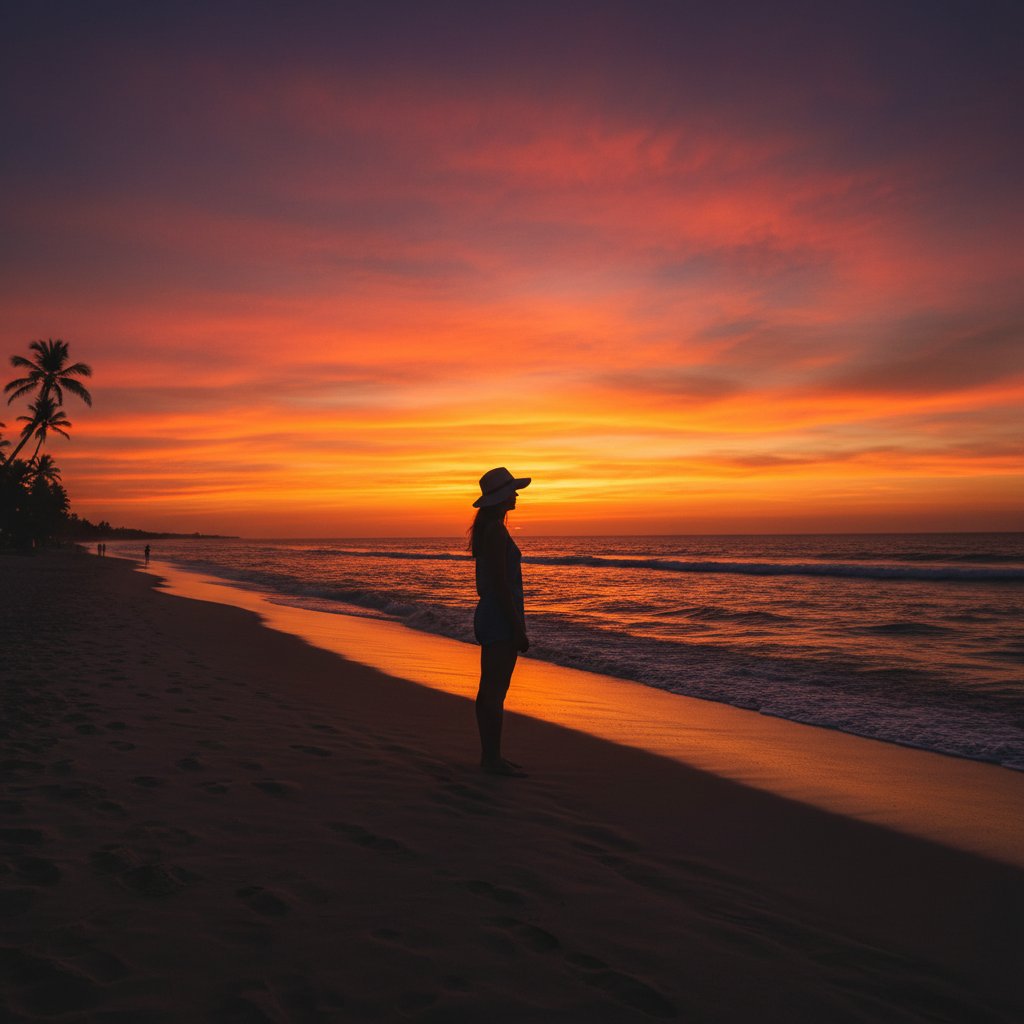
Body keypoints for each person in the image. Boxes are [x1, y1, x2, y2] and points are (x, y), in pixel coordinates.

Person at [469, 467, 531, 776]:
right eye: (512, 491)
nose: (517, 495)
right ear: (501, 497)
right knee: (495, 691)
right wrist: (517, 627)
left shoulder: (490, 529)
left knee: (490, 690)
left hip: (492, 613)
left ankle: (490, 756)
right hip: (499, 615)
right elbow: (500, 584)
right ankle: (491, 758)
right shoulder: (495, 530)